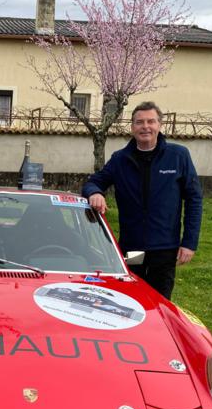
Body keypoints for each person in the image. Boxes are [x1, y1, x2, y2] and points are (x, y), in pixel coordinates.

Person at [82, 101, 202, 300]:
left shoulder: (178, 156)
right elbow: (93, 182)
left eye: (151, 121)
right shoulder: (120, 159)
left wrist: (189, 243)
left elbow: (194, 199)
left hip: (164, 249)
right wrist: (95, 193)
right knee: (129, 299)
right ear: (132, 127)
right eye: (139, 122)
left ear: (159, 125)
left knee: (159, 302)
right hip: (132, 247)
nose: (145, 126)